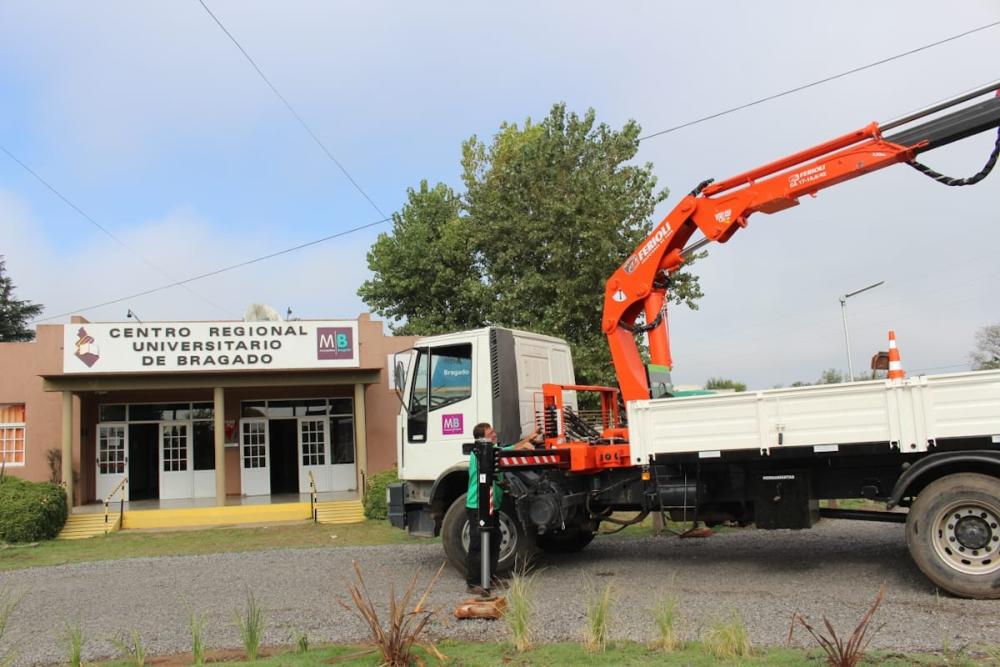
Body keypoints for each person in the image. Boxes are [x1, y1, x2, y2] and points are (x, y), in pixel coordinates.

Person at [465, 422, 538, 595]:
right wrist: (524, 445)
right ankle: (473, 583)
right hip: (478, 505)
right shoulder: (480, 452)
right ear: (482, 438)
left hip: (491, 505)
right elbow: (510, 451)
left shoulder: (492, 451)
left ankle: (488, 578)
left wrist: (529, 438)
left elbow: (510, 448)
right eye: (491, 433)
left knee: (494, 540)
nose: (495, 434)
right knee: (477, 544)